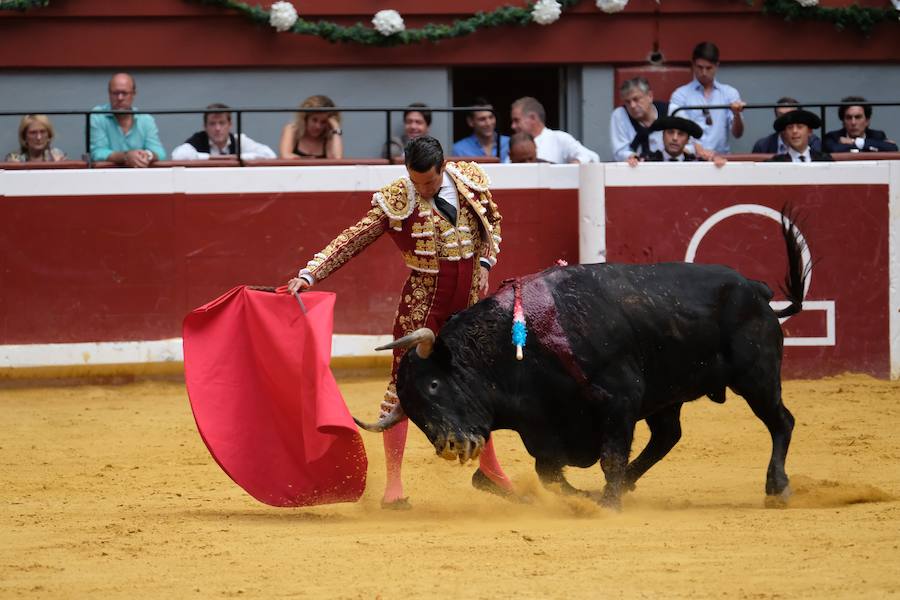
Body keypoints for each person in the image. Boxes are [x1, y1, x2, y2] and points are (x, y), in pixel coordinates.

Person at [286, 136, 514, 508]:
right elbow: (353, 238)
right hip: (423, 304)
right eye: (415, 182)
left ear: (444, 167)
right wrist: (310, 274)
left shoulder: (471, 183)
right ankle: (393, 485)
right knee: (402, 386)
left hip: (470, 303)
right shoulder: (398, 198)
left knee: (477, 386)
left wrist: (486, 263)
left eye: (429, 183)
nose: (422, 190)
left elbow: (493, 226)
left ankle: (490, 471)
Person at [668, 42, 745, 156]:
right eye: (700, 67)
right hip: (691, 159)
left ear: (717, 66)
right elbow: (678, 130)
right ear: (693, 65)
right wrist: (697, 148)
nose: (704, 73)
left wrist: (737, 115)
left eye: (709, 68)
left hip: (721, 160)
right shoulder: (680, 94)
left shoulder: (730, 93)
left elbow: (737, 134)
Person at [90, 72, 167, 167]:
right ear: (109, 94)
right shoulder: (98, 115)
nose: (120, 98)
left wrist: (146, 155)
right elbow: (98, 153)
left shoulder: (146, 119)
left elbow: (160, 153)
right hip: (107, 176)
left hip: (140, 176)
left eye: (124, 93)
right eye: (115, 93)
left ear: (133, 94)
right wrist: (126, 156)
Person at [171, 103, 276, 161]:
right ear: (205, 126)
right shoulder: (199, 139)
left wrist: (237, 157)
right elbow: (178, 156)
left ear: (230, 125)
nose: (217, 128)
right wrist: (212, 158)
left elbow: (269, 155)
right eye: (212, 124)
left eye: (222, 123)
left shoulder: (238, 140)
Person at [510, 96, 599, 164]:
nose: (513, 126)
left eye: (517, 120)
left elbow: (592, 157)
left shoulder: (559, 138)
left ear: (533, 118)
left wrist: (566, 171)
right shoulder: (513, 144)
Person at [628, 116, 726, 166]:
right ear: (663, 136)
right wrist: (631, 164)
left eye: (681, 134)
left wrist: (715, 162)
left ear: (688, 140)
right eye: (670, 132)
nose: (675, 138)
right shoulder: (647, 161)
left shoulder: (698, 163)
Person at [609, 77, 667, 162]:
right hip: (634, 169)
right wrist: (630, 156)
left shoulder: (670, 111)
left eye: (636, 99)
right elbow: (619, 152)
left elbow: (690, 145)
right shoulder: (620, 115)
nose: (632, 105)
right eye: (627, 102)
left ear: (650, 96)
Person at [823, 96, 898, 154]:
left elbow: (892, 148)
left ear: (867, 121)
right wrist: (869, 146)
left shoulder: (877, 135)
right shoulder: (833, 137)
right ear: (843, 121)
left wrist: (854, 142)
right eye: (849, 118)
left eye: (858, 117)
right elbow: (833, 150)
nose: (853, 122)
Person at [279, 95, 343, 159]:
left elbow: (337, 158)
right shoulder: (292, 129)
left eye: (323, 122)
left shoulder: (330, 135)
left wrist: (336, 127)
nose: (318, 126)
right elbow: (285, 156)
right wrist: (310, 160)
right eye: (314, 120)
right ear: (305, 118)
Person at [752, 97, 823, 154]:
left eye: (791, 116)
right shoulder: (763, 146)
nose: (786, 121)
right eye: (781, 116)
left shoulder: (813, 143)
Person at [451, 97, 510, 162]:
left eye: (491, 117)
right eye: (482, 119)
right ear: (470, 122)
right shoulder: (460, 149)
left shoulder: (509, 143)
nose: (488, 123)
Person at [766, 109, 833, 163]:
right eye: (790, 128)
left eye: (800, 127)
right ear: (785, 134)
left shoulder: (824, 160)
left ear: (809, 132)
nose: (794, 131)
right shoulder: (776, 163)